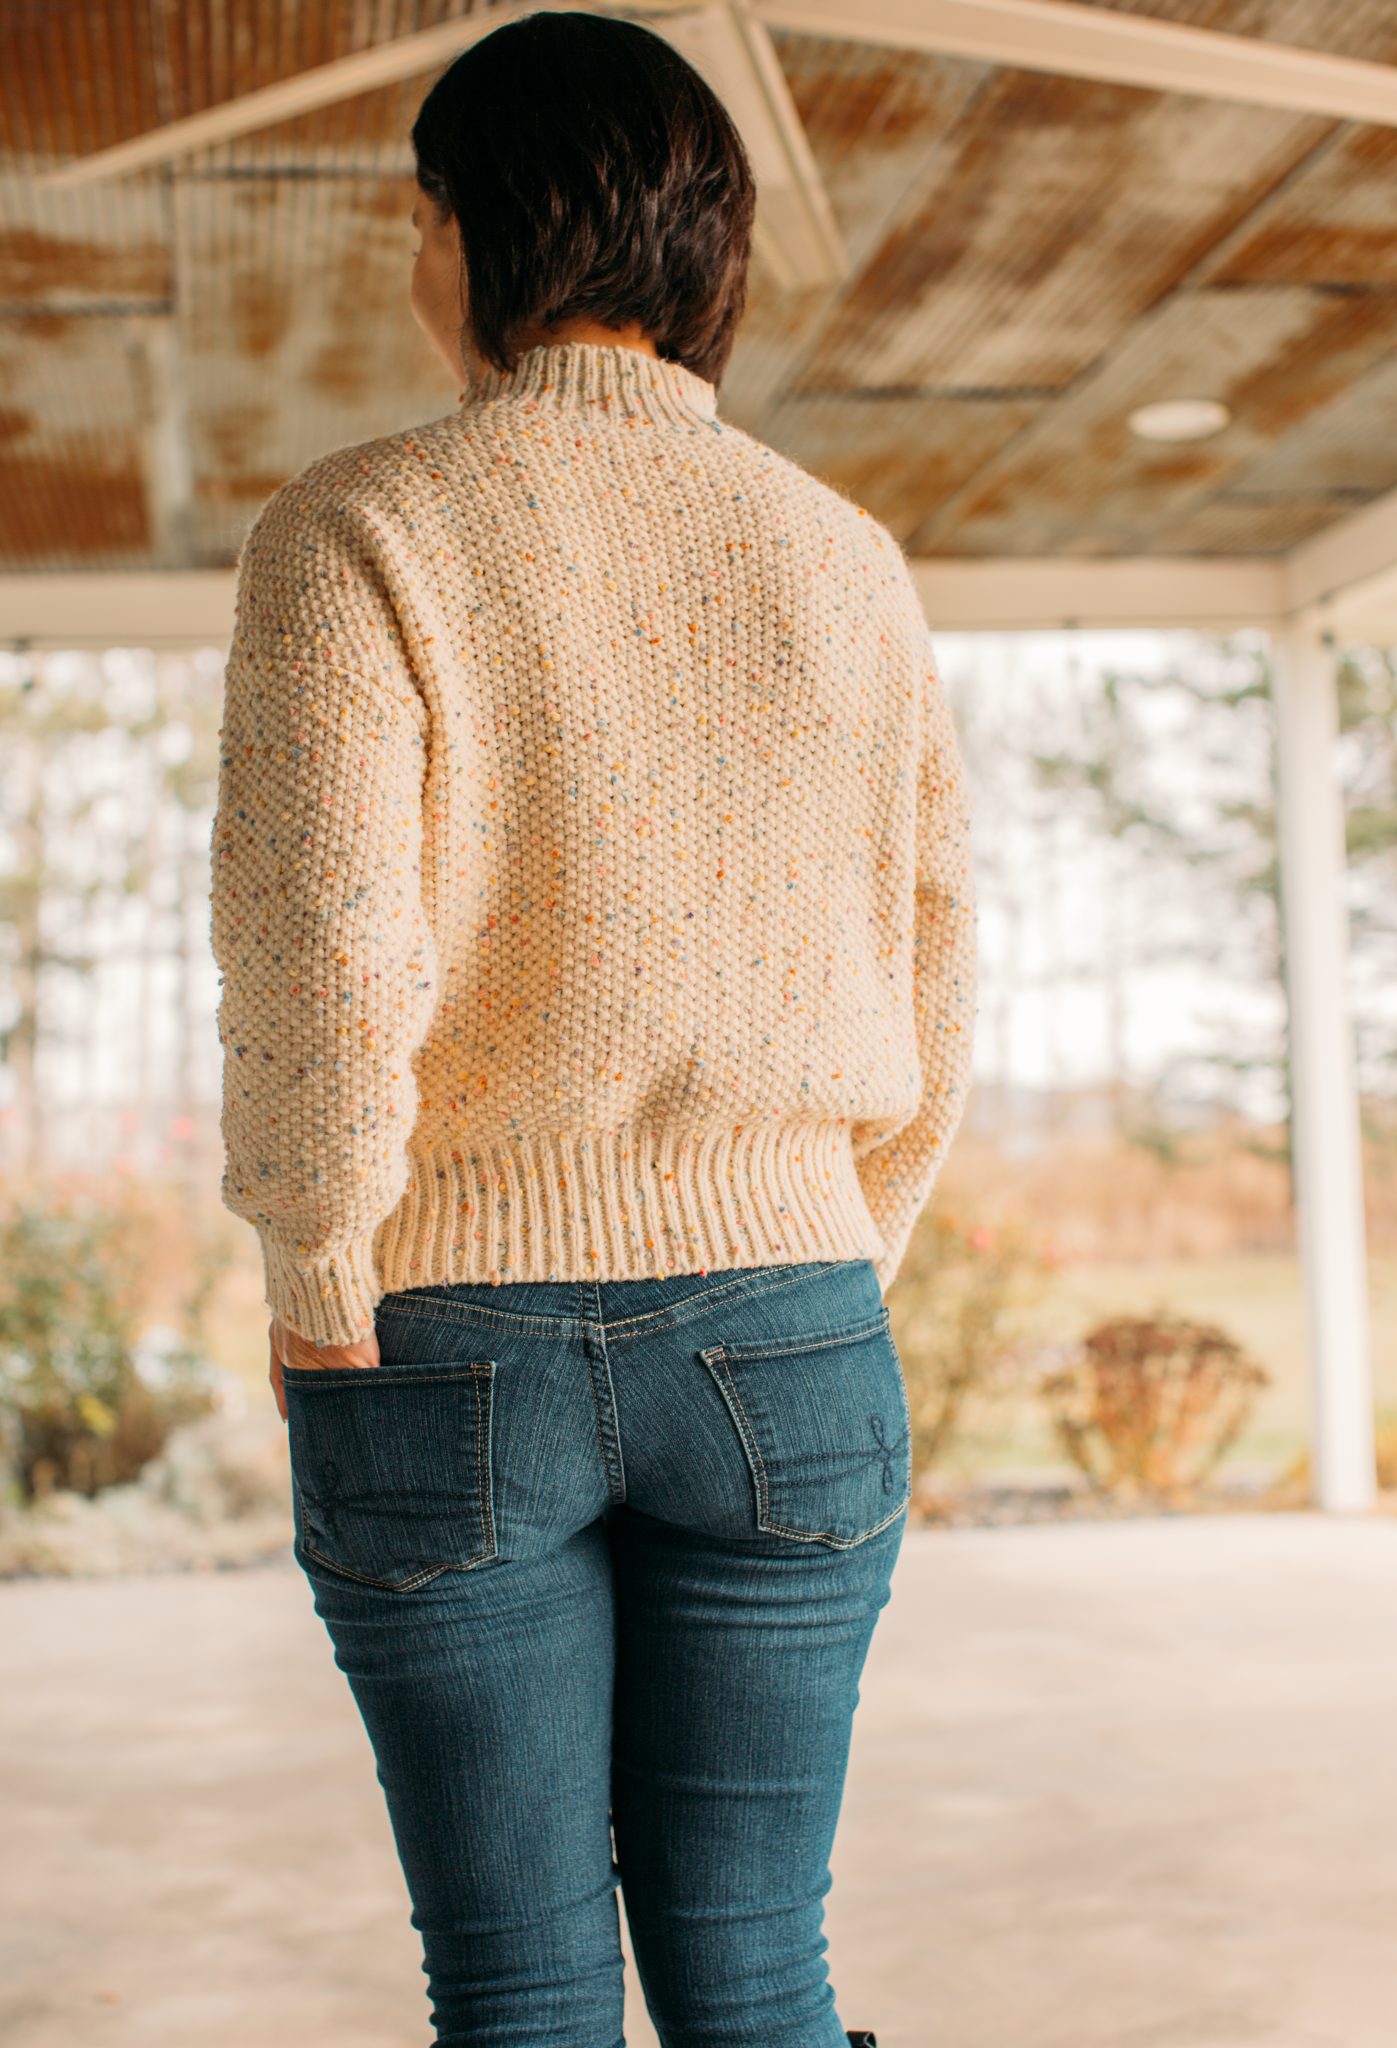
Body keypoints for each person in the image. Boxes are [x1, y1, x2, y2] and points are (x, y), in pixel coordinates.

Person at [208, 11, 977, 2045]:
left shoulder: (361, 526)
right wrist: (828, 1236)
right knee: (760, 1970)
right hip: (794, 1314)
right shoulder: (846, 557)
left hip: (442, 1330)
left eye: (420, 217)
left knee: (524, 1983)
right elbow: (937, 953)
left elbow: (325, 951)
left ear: (476, 227)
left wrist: (316, 1259)